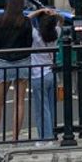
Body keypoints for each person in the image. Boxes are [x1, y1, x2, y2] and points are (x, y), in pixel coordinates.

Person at [0, 0, 32, 141]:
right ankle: (15, 138)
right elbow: (29, 43)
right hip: (22, 60)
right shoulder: (25, 21)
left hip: (4, 60)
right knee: (19, 102)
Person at [28, 7, 61, 140]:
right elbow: (62, 21)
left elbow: (26, 19)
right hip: (51, 73)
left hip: (38, 73)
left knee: (41, 109)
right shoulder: (56, 34)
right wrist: (55, 14)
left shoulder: (36, 36)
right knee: (51, 107)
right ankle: (52, 133)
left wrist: (40, 11)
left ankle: (45, 137)